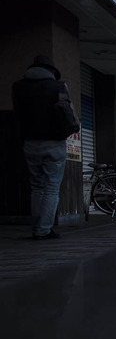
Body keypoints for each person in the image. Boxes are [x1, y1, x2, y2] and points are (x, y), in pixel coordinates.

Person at [12, 55, 69, 240]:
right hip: (54, 142)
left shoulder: (18, 87)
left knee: (36, 187)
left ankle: (36, 226)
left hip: (29, 142)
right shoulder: (58, 87)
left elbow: (17, 114)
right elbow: (68, 113)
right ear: (52, 71)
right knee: (51, 188)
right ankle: (43, 229)